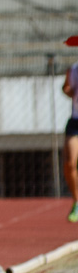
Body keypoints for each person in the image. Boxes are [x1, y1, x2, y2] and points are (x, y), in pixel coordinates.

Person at [61, 61, 78, 222]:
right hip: (75, 121)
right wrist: (69, 89)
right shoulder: (73, 69)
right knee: (70, 163)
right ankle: (76, 202)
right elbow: (66, 89)